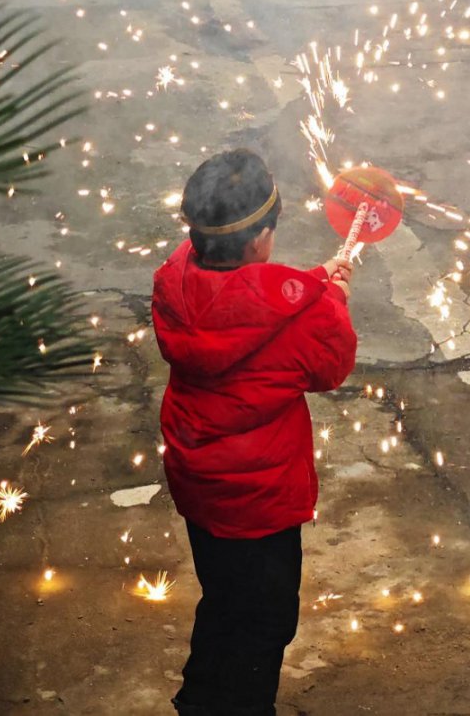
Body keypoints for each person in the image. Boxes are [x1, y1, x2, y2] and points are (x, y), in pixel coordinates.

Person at [152, 149, 357, 716]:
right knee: (265, 624)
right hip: (260, 501)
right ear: (259, 241)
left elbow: (250, 306)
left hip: (198, 481)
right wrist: (330, 299)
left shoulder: (173, 280)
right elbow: (329, 366)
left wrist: (313, 285)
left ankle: (199, 700)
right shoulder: (304, 317)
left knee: (222, 599)